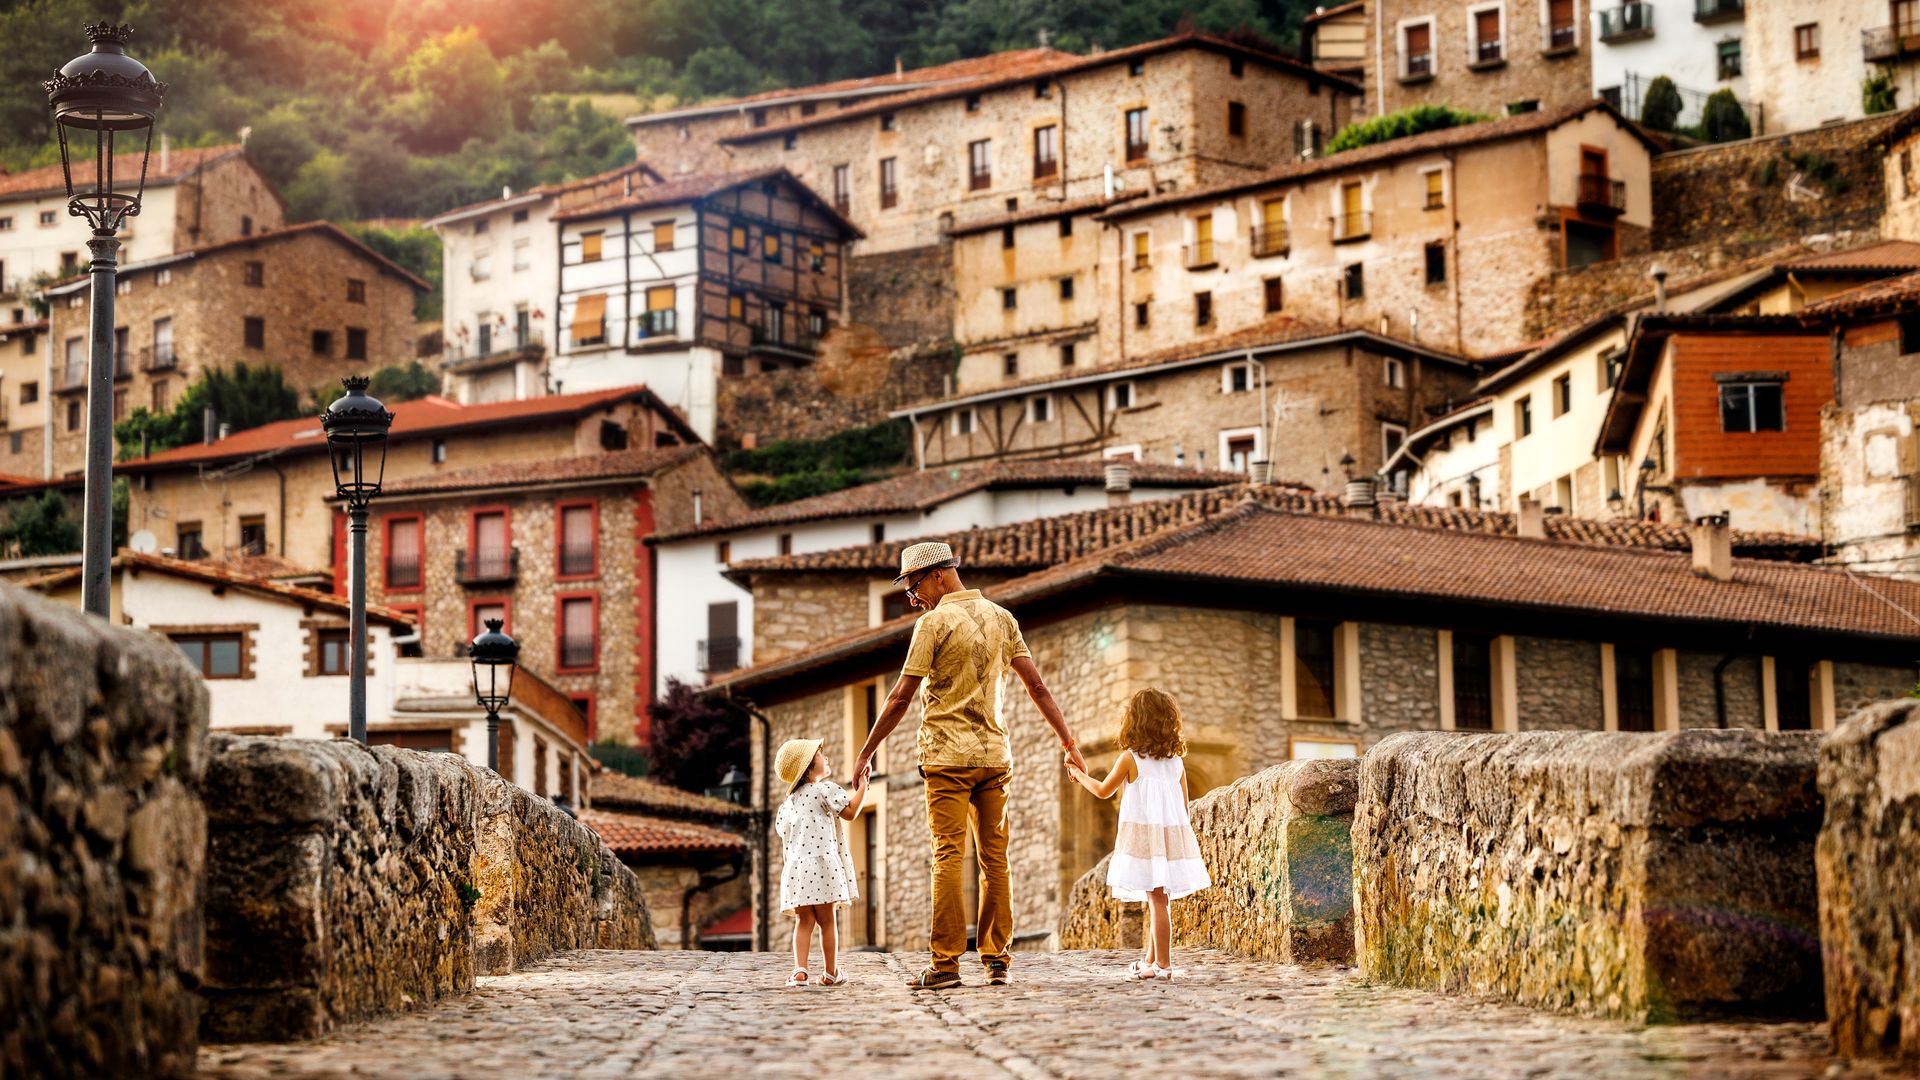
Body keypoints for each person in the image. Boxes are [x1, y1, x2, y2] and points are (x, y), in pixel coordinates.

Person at [851, 541, 1086, 990]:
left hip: (946, 758)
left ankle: (945, 966)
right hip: (995, 758)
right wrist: (1068, 741)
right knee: (996, 860)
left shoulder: (932, 624)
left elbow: (901, 695)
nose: (912, 598)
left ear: (939, 574)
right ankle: (998, 960)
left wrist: (867, 752)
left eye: (913, 586)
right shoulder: (1003, 618)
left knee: (947, 856)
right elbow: (1036, 686)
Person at [1065, 687, 1211, 982]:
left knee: (1157, 900)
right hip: (1170, 838)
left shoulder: (1130, 759)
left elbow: (1104, 791)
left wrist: (1079, 775)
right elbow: (1183, 806)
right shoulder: (1176, 762)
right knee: (1157, 897)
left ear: (1134, 721)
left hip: (1144, 838)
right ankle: (1149, 959)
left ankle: (1164, 966)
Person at [774, 736, 867, 988]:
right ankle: (830, 973)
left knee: (803, 922)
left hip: (797, 869)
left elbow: (784, 835)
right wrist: (863, 788)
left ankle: (800, 970)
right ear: (807, 767)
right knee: (827, 921)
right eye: (820, 754)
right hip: (822, 866)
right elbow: (850, 813)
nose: (825, 757)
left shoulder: (787, 805)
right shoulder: (824, 790)